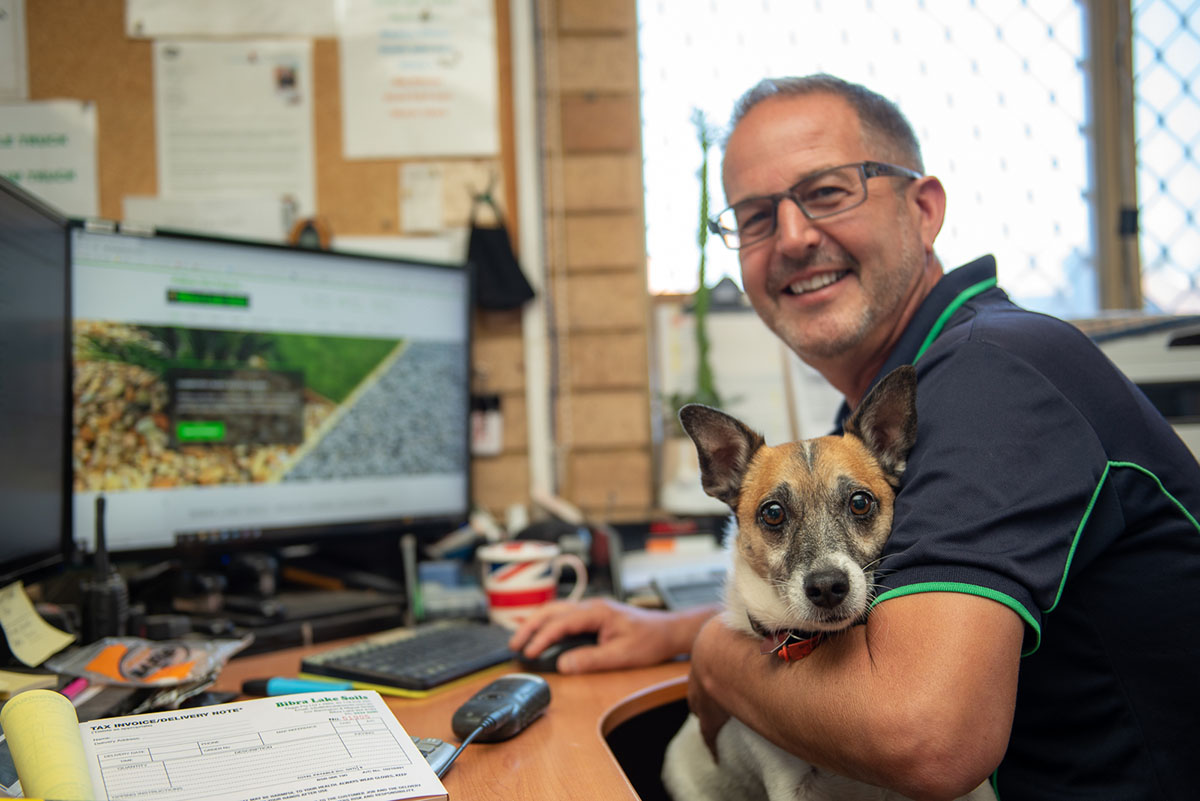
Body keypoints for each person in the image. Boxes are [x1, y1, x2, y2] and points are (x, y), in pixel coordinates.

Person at [511, 73, 1200, 800]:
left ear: (924, 208)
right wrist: (678, 628)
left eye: (829, 192)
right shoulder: (914, 392)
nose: (794, 236)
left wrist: (716, 655)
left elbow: (926, 738)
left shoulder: (990, 377)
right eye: (754, 216)